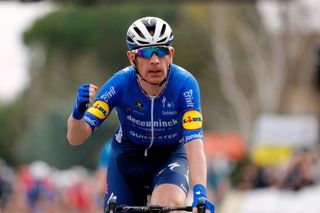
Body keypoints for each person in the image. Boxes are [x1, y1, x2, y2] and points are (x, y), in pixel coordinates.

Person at [67, 16, 215, 213]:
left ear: (170, 54)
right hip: (128, 159)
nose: (154, 60)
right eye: (145, 52)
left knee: (169, 206)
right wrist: (77, 114)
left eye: (161, 51)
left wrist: (200, 193)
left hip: (169, 157)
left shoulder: (185, 85)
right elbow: (75, 138)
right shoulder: (119, 84)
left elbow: (194, 145)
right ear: (132, 58)